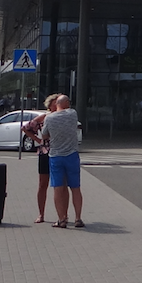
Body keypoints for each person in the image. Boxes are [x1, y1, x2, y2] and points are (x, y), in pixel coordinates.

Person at [42, 95, 83, 228]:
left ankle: (62, 219)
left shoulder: (49, 118)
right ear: (65, 103)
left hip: (56, 156)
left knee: (58, 188)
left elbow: (44, 134)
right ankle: (77, 218)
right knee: (75, 188)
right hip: (72, 155)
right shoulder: (72, 114)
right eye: (69, 102)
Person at [21, 95, 59, 223]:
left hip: (59, 152)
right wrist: (39, 140)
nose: (58, 104)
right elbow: (25, 128)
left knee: (59, 185)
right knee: (43, 184)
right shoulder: (44, 117)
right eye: (56, 102)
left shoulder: (62, 116)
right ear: (50, 105)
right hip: (45, 153)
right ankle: (41, 214)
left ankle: (61, 215)